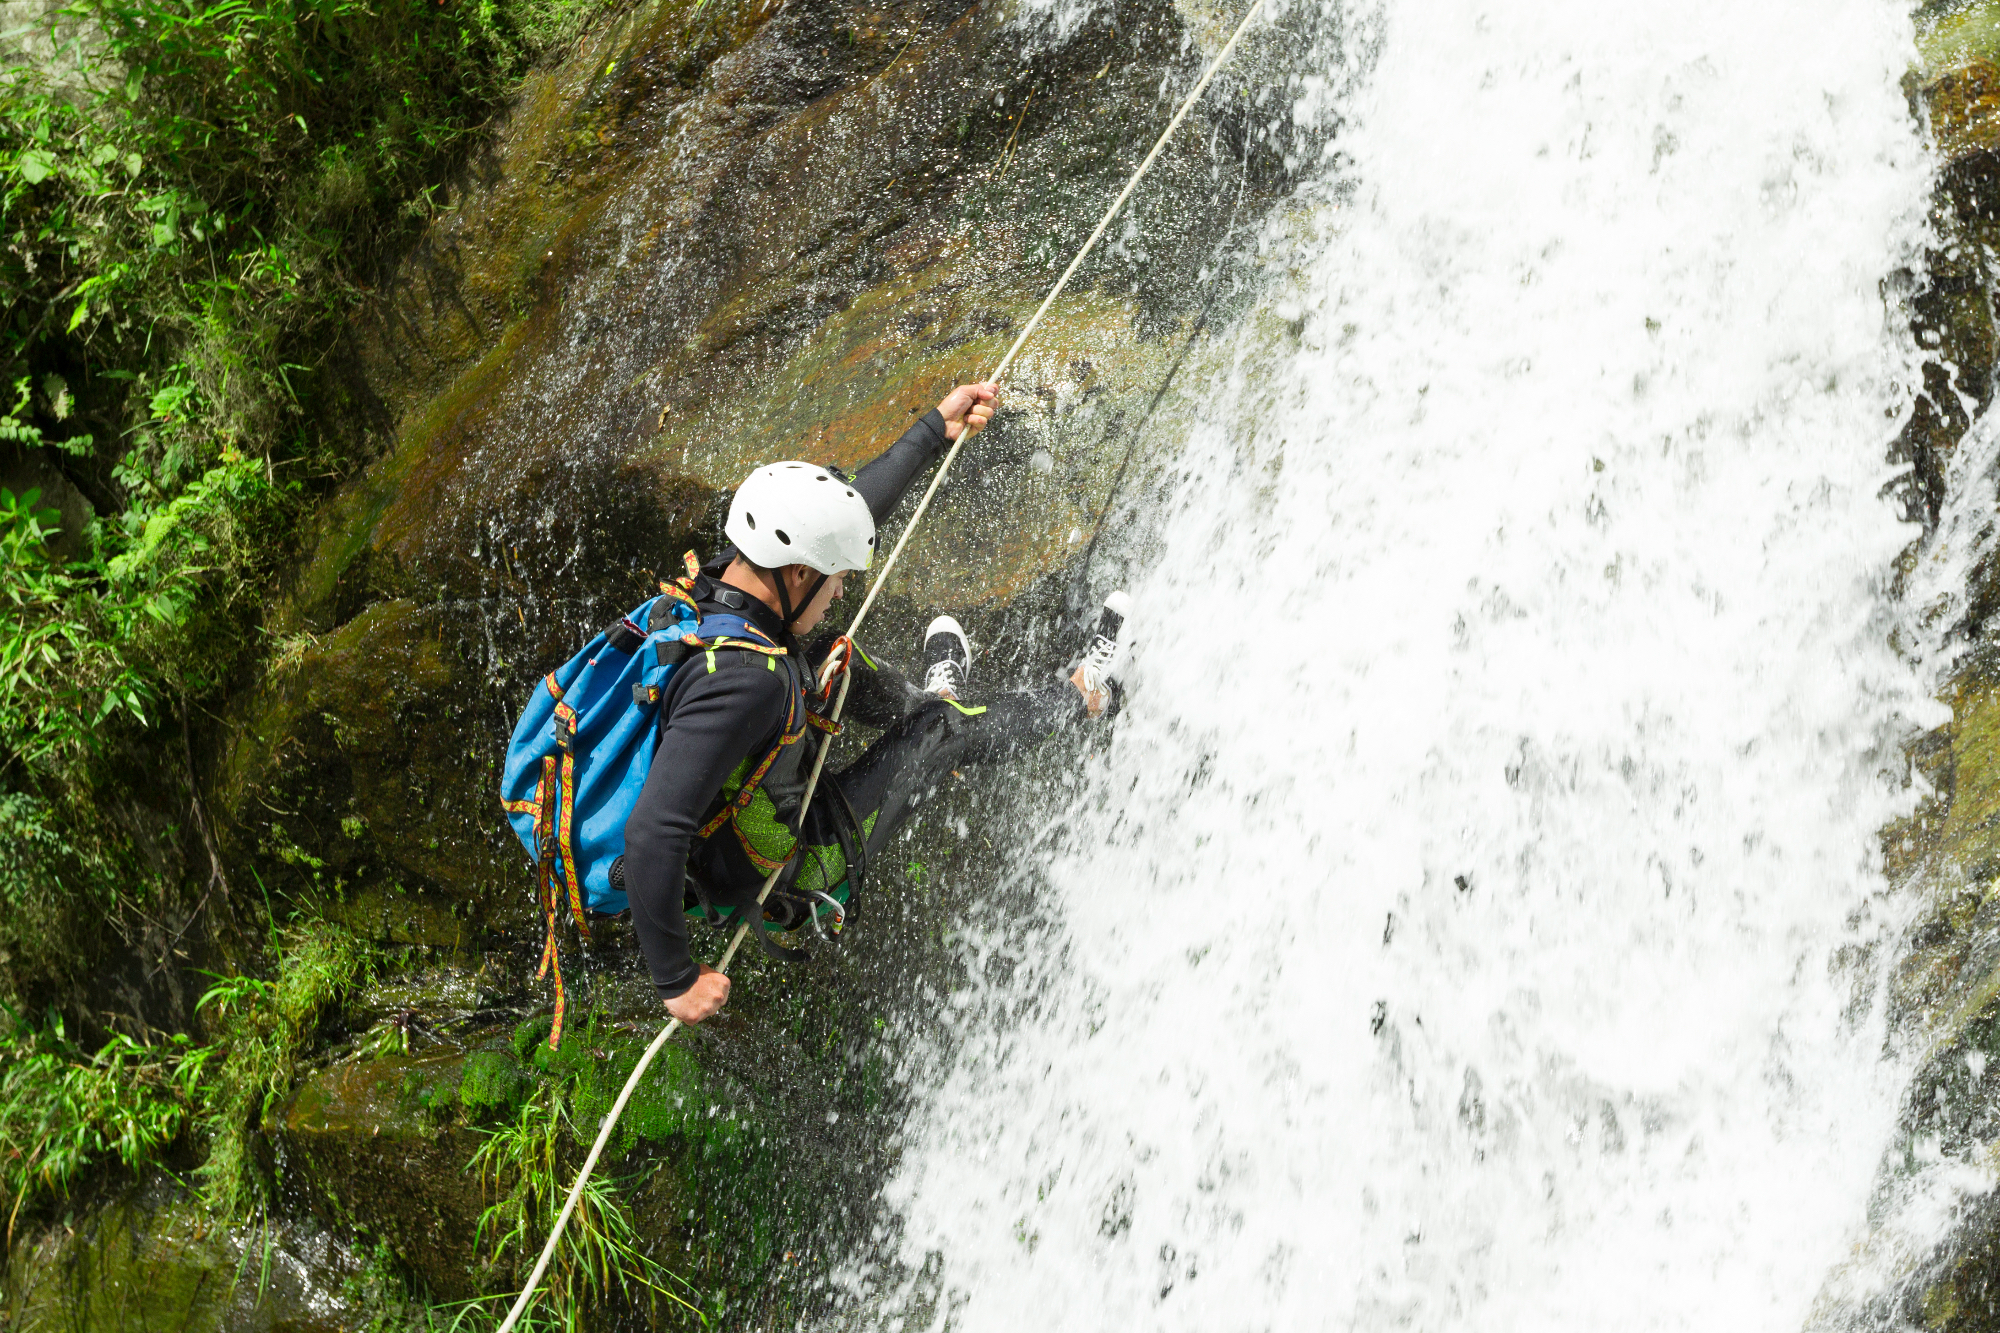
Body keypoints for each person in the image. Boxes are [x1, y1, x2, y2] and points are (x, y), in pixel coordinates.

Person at [621, 382, 1131, 1024]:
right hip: (791, 863)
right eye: (835, 578)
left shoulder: (726, 584)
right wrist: (675, 979)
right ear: (798, 573)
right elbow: (652, 831)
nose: (840, 589)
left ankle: (933, 692)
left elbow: (841, 513)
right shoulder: (742, 683)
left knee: (831, 654)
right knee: (936, 731)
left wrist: (933, 431)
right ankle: (1086, 695)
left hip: (737, 812)